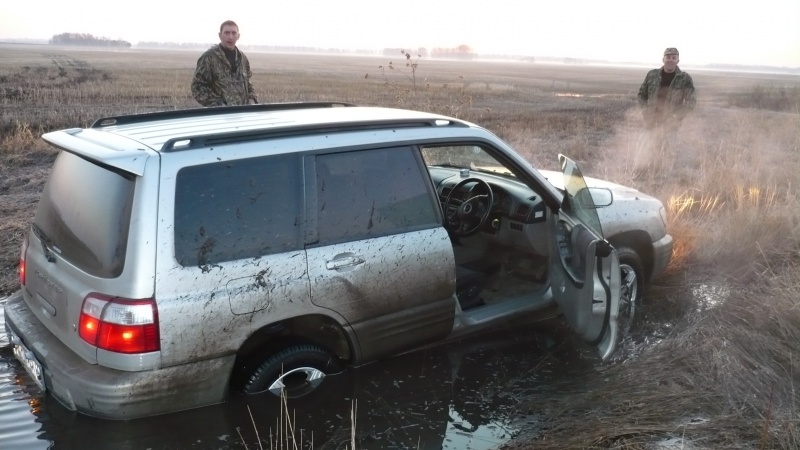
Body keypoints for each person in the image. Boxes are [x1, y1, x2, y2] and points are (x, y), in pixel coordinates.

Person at [191, 20, 258, 107]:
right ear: (220, 35)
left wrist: (252, 101)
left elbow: (248, 83)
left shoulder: (242, 58)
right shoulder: (209, 58)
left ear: (238, 36)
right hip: (220, 114)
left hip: (242, 113)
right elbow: (197, 87)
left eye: (234, 33)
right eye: (226, 33)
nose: (230, 37)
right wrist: (218, 104)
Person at [637, 47, 695, 131]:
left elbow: (691, 102)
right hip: (651, 122)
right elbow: (641, 95)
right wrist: (645, 111)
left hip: (671, 125)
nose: (670, 60)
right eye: (668, 57)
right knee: (645, 140)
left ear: (678, 61)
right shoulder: (652, 75)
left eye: (674, 58)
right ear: (663, 59)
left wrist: (676, 116)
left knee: (669, 140)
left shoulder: (685, 78)